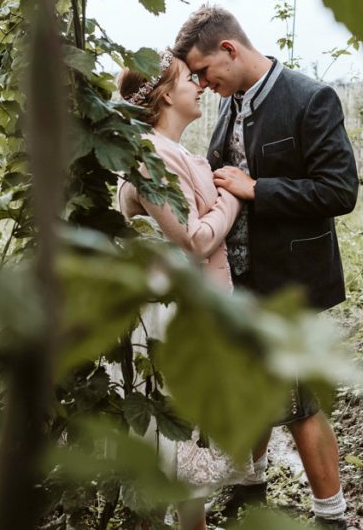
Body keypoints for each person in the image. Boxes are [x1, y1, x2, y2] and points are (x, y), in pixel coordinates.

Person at [172, 5, 359, 530]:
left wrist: (258, 190)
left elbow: (340, 190)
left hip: (290, 286)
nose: (203, 85)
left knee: (298, 403)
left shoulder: (309, 99)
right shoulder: (230, 107)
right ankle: (251, 490)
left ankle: (331, 516)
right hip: (242, 283)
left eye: (205, 72)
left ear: (229, 50)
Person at [113, 49, 244, 530]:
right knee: (169, 443)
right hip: (170, 316)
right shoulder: (149, 156)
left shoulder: (172, 152)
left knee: (185, 447)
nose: (200, 84)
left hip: (193, 308)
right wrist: (233, 195)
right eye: (191, 78)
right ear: (166, 92)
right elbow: (194, 239)